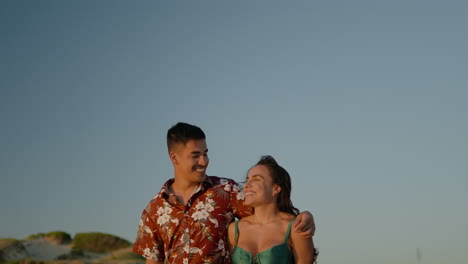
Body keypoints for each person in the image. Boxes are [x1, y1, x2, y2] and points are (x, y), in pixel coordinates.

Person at [132, 122, 315, 264]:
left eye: (206, 153)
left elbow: (269, 211)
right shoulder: (153, 210)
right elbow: (153, 261)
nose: (204, 161)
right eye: (195, 155)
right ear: (174, 157)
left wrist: (305, 216)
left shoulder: (226, 191)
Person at [228, 155, 318, 264]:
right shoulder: (235, 230)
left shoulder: (295, 227)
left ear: (275, 189)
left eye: (256, 179)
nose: (247, 185)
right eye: (247, 180)